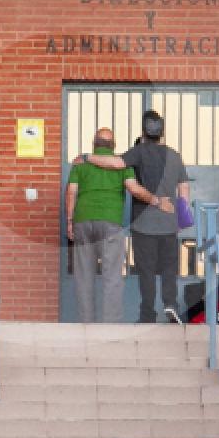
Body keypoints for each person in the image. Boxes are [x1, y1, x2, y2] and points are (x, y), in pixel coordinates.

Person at [83, 110, 190, 324]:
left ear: (143, 132)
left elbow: (115, 164)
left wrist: (87, 157)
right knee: (170, 268)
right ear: (162, 132)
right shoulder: (175, 155)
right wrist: (182, 219)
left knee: (146, 271)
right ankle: (171, 305)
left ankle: (147, 314)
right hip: (169, 225)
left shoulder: (139, 152)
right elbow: (184, 189)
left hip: (144, 225)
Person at [65, 127, 154, 323]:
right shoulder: (122, 164)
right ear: (113, 145)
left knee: (84, 277)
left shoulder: (81, 163)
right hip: (111, 222)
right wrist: (155, 200)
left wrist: (69, 220)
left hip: (83, 220)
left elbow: (71, 191)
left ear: (94, 144)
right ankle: (110, 325)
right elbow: (134, 189)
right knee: (112, 276)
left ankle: (86, 325)